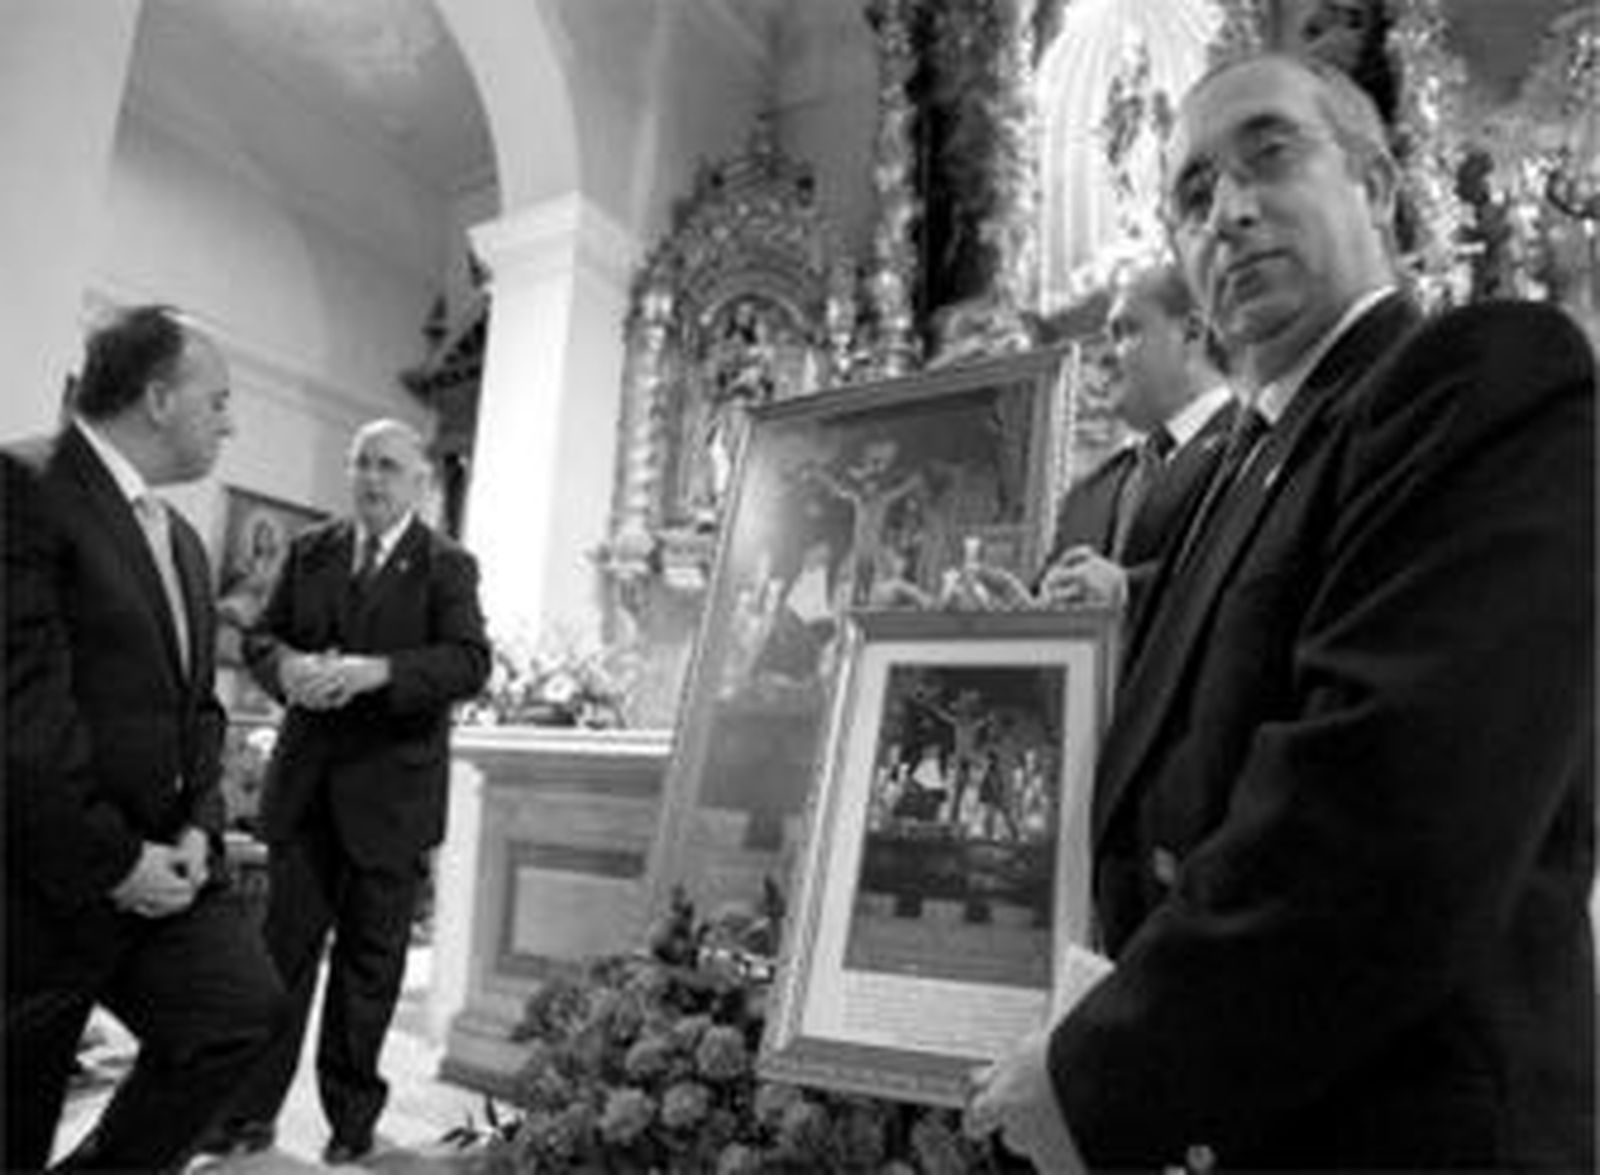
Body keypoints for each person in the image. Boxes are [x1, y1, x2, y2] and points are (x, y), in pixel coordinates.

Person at [968, 52, 1594, 1171]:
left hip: (1401, 1125)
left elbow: (1388, 819)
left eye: (1270, 153)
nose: (1232, 212)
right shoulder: (1229, 467)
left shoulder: (1477, 380)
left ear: (1378, 187)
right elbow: (1188, 713)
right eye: (1194, 193)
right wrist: (990, 657)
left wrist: (1105, 1070)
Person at [2, 304, 285, 1171]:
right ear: (159, 398)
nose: (230, 421)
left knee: (242, 1013)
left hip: (169, 866)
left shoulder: (186, 544)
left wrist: (201, 820)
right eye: (219, 400)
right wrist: (115, 862)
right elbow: (18, 714)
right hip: (42, 877)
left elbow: (198, 706)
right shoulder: (24, 485)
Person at [209, 418, 491, 1163]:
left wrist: (382, 672)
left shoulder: (446, 565)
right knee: (279, 959)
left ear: (421, 480)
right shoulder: (312, 550)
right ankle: (248, 1109)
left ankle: (352, 1118)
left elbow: (468, 663)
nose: (371, 478)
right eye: (362, 463)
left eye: (389, 466)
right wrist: (288, 669)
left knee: (370, 969)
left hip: (391, 800)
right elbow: (259, 639)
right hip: (305, 790)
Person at [1037, 261, 1234, 623]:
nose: (1107, 356)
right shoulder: (1089, 492)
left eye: (1126, 331)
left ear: (1191, 334)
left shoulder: (1252, 452)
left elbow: (1253, 587)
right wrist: (1017, 613)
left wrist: (1128, 590)